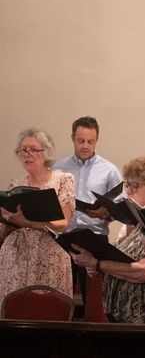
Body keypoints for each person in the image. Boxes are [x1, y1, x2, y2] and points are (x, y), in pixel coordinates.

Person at [70, 156, 145, 323]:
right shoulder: (134, 223)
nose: (129, 190)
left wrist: (98, 264)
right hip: (119, 316)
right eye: (128, 184)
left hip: (143, 318)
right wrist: (97, 266)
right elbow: (118, 261)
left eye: (136, 185)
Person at [0, 127, 75, 304]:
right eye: (23, 150)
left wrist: (28, 222)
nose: (27, 154)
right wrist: (8, 220)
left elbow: (63, 224)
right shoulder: (16, 183)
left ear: (46, 153)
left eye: (33, 149)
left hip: (49, 256)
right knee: (15, 309)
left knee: (47, 309)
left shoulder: (63, 180)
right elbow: (8, 225)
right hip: (16, 256)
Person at [54, 116, 122, 304]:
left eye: (90, 141)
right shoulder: (58, 168)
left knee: (94, 297)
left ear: (97, 140)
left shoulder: (110, 170)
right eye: (81, 140)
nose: (85, 146)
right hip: (64, 235)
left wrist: (106, 212)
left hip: (95, 237)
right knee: (61, 292)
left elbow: (120, 205)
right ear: (72, 138)